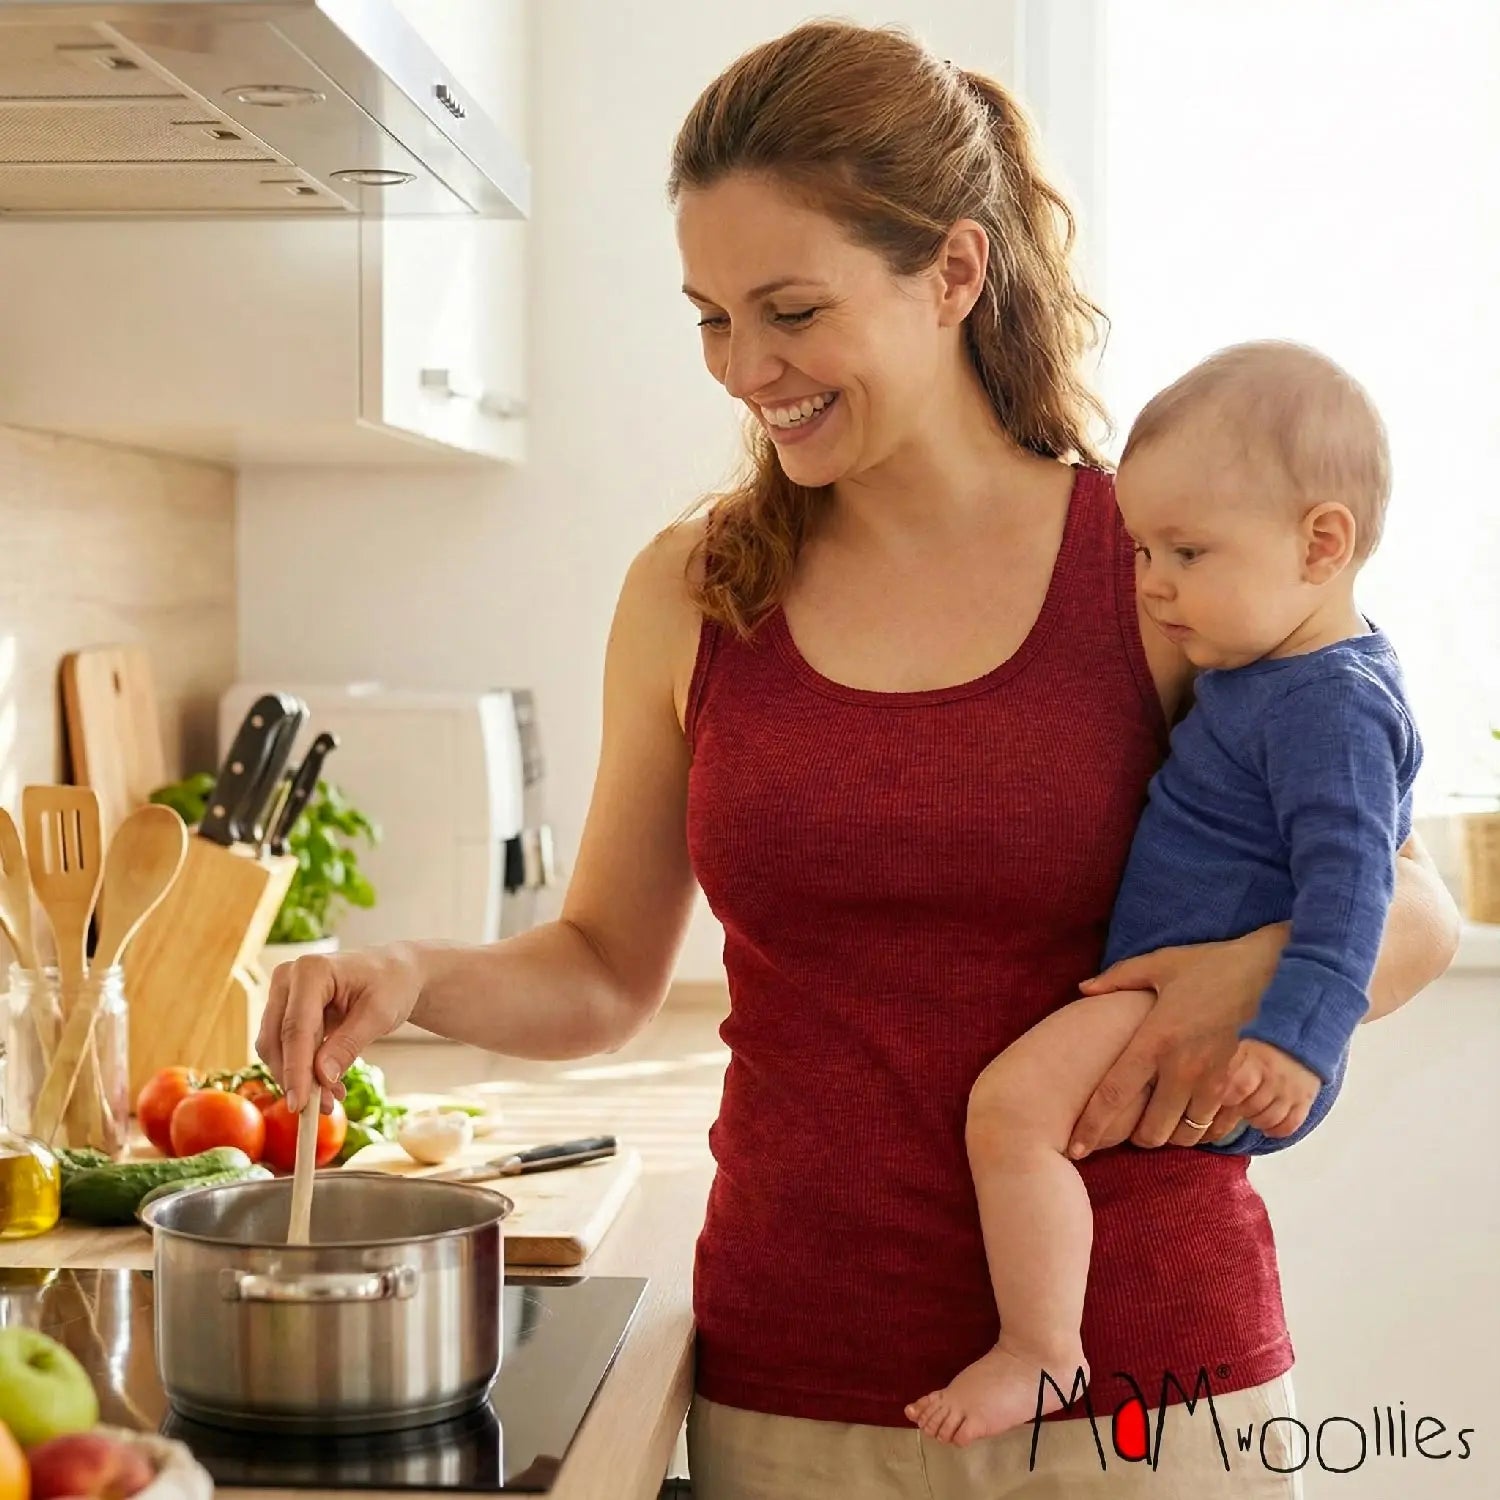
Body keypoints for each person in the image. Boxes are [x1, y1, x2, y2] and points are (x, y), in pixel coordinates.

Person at [257, 21, 1461, 1500]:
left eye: (791, 309)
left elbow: (1414, 907)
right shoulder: (690, 592)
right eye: (708, 316)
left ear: (954, 273)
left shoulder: (1149, 568)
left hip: (1147, 1394)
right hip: (795, 1383)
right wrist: (415, 974)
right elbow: (600, 969)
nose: (746, 369)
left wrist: (1236, 978)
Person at [905, 340, 1423, 1451]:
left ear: (1322, 544)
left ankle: (1042, 1353)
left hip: (1208, 1015)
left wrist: (1296, 1039)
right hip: (1186, 993)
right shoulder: (1270, 670)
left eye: (1187, 550)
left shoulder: (1329, 705)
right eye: (1144, 548)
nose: (1151, 582)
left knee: (1008, 1115)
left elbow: (1358, 885)